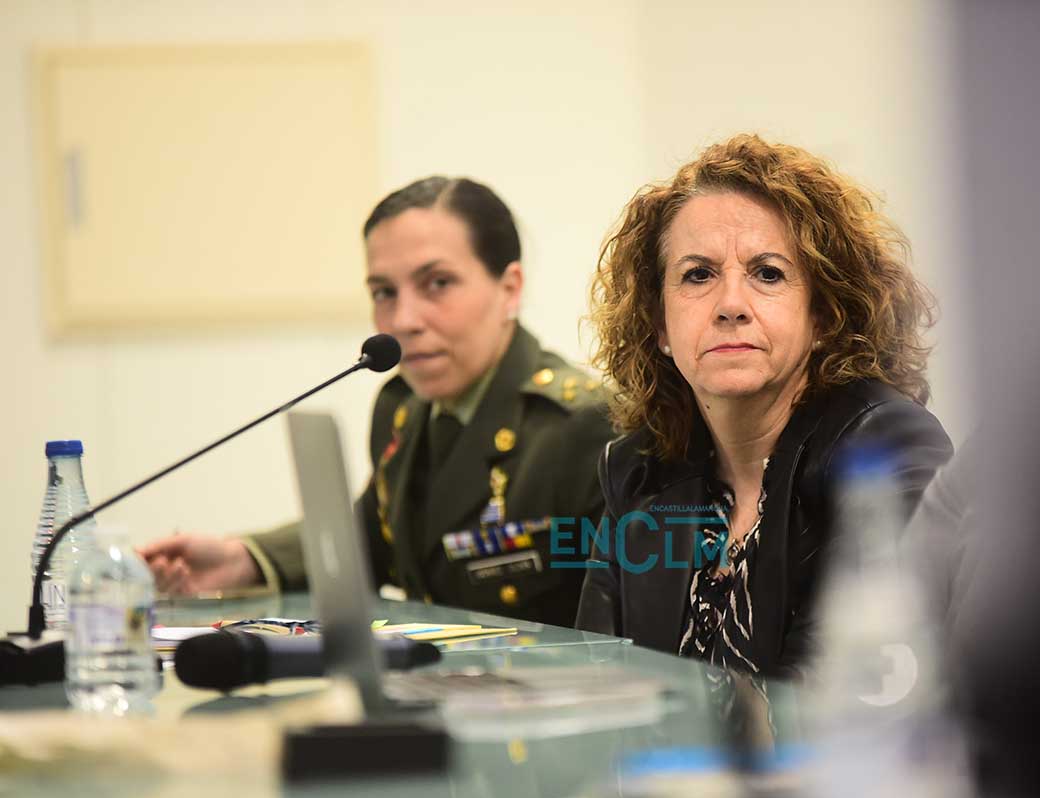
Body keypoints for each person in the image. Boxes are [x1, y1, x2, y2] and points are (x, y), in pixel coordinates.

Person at [140, 177, 614, 625]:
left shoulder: (583, 427)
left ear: (509, 289)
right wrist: (240, 559)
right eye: (384, 292)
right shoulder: (402, 410)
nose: (403, 319)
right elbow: (368, 539)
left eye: (438, 283)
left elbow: (620, 629)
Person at [575, 135, 953, 676]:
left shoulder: (886, 446)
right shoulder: (636, 470)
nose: (731, 305)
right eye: (698, 274)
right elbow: (596, 681)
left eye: (768, 273)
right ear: (659, 325)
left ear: (823, 316)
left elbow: (829, 695)